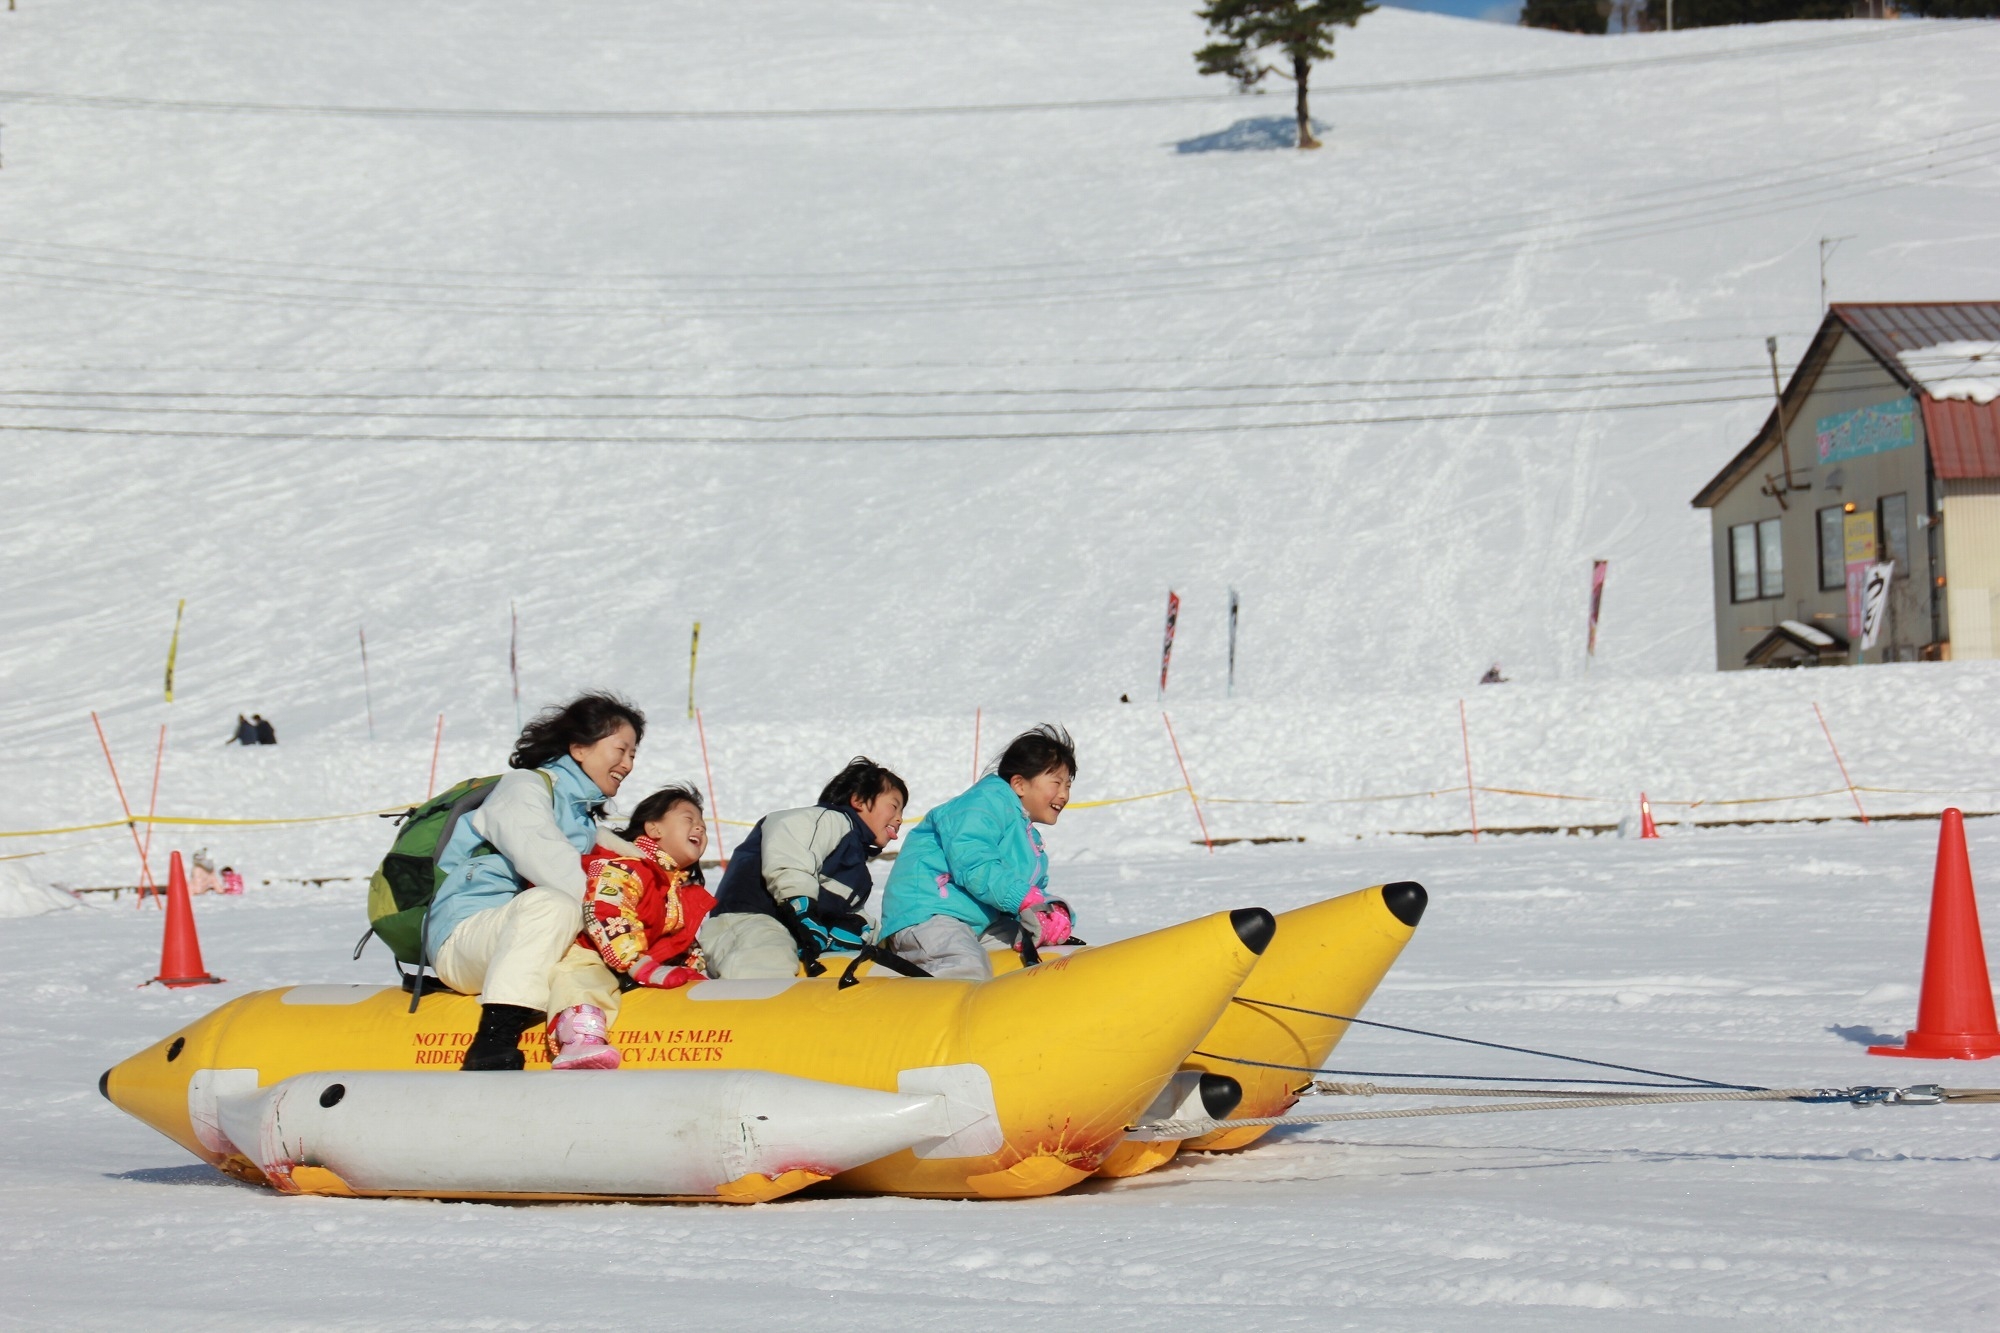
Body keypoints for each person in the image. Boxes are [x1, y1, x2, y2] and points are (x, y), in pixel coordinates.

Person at [424, 692, 645, 1072]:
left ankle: (580, 1037)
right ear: (579, 748)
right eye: (621, 750)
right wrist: (616, 927)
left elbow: (633, 867)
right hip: (464, 937)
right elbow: (549, 864)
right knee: (554, 902)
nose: (627, 764)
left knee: (574, 933)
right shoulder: (523, 788)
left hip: (523, 940)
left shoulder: (583, 820)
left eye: (633, 755)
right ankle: (495, 1037)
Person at [879, 725, 1077, 981]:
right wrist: (1023, 899)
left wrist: (1051, 912)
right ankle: (932, 1012)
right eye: (1057, 782)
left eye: (1069, 785)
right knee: (966, 966)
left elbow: (1032, 891)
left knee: (1053, 954)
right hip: (929, 913)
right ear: (1019, 784)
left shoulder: (1030, 842)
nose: (1064, 794)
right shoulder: (983, 803)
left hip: (978, 922)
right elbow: (974, 863)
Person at [541, 784, 716, 1070]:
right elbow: (606, 911)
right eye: (688, 819)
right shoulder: (625, 865)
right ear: (654, 829)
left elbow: (676, 942)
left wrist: (692, 971)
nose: (699, 828)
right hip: (589, 947)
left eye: (703, 826)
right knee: (583, 972)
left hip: (628, 964)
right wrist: (638, 963)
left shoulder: (675, 888)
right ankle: (579, 1036)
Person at [697, 757, 907, 979]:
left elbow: (850, 911)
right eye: (894, 806)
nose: (900, 819)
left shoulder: (854, 863)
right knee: (767, 960)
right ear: (859, 801)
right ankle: (747, 1006)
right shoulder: (825, 820)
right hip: (749, 919)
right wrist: (800, 904)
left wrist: (867, 933)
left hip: (791, 932)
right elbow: (790, 853)